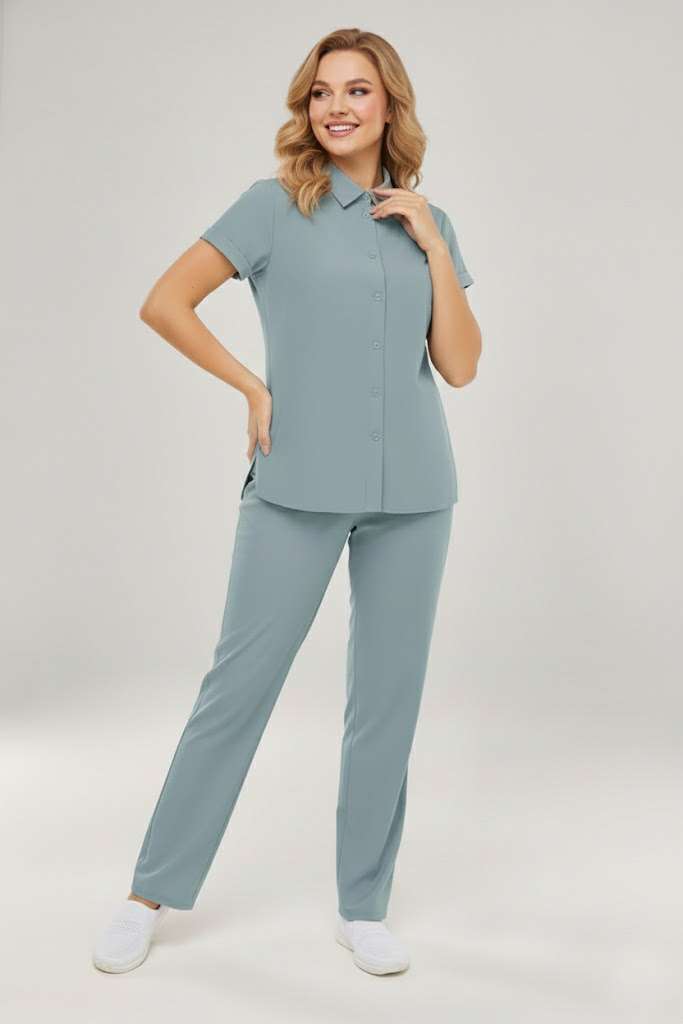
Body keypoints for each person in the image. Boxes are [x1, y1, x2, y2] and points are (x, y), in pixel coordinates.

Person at [92, 26, 481, 977]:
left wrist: (432, 245)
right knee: (237, 691)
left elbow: (460, 366)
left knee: (385, 703)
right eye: (320, 92)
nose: (336, 106)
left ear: (389, 105)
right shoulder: (273, 208)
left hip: (414, 492)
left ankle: (363, 906)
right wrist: (251, 388)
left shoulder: (426, 219)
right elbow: (165, 301)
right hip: (296, 482)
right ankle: (148, 895)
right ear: (306, 109)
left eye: (356, 90)